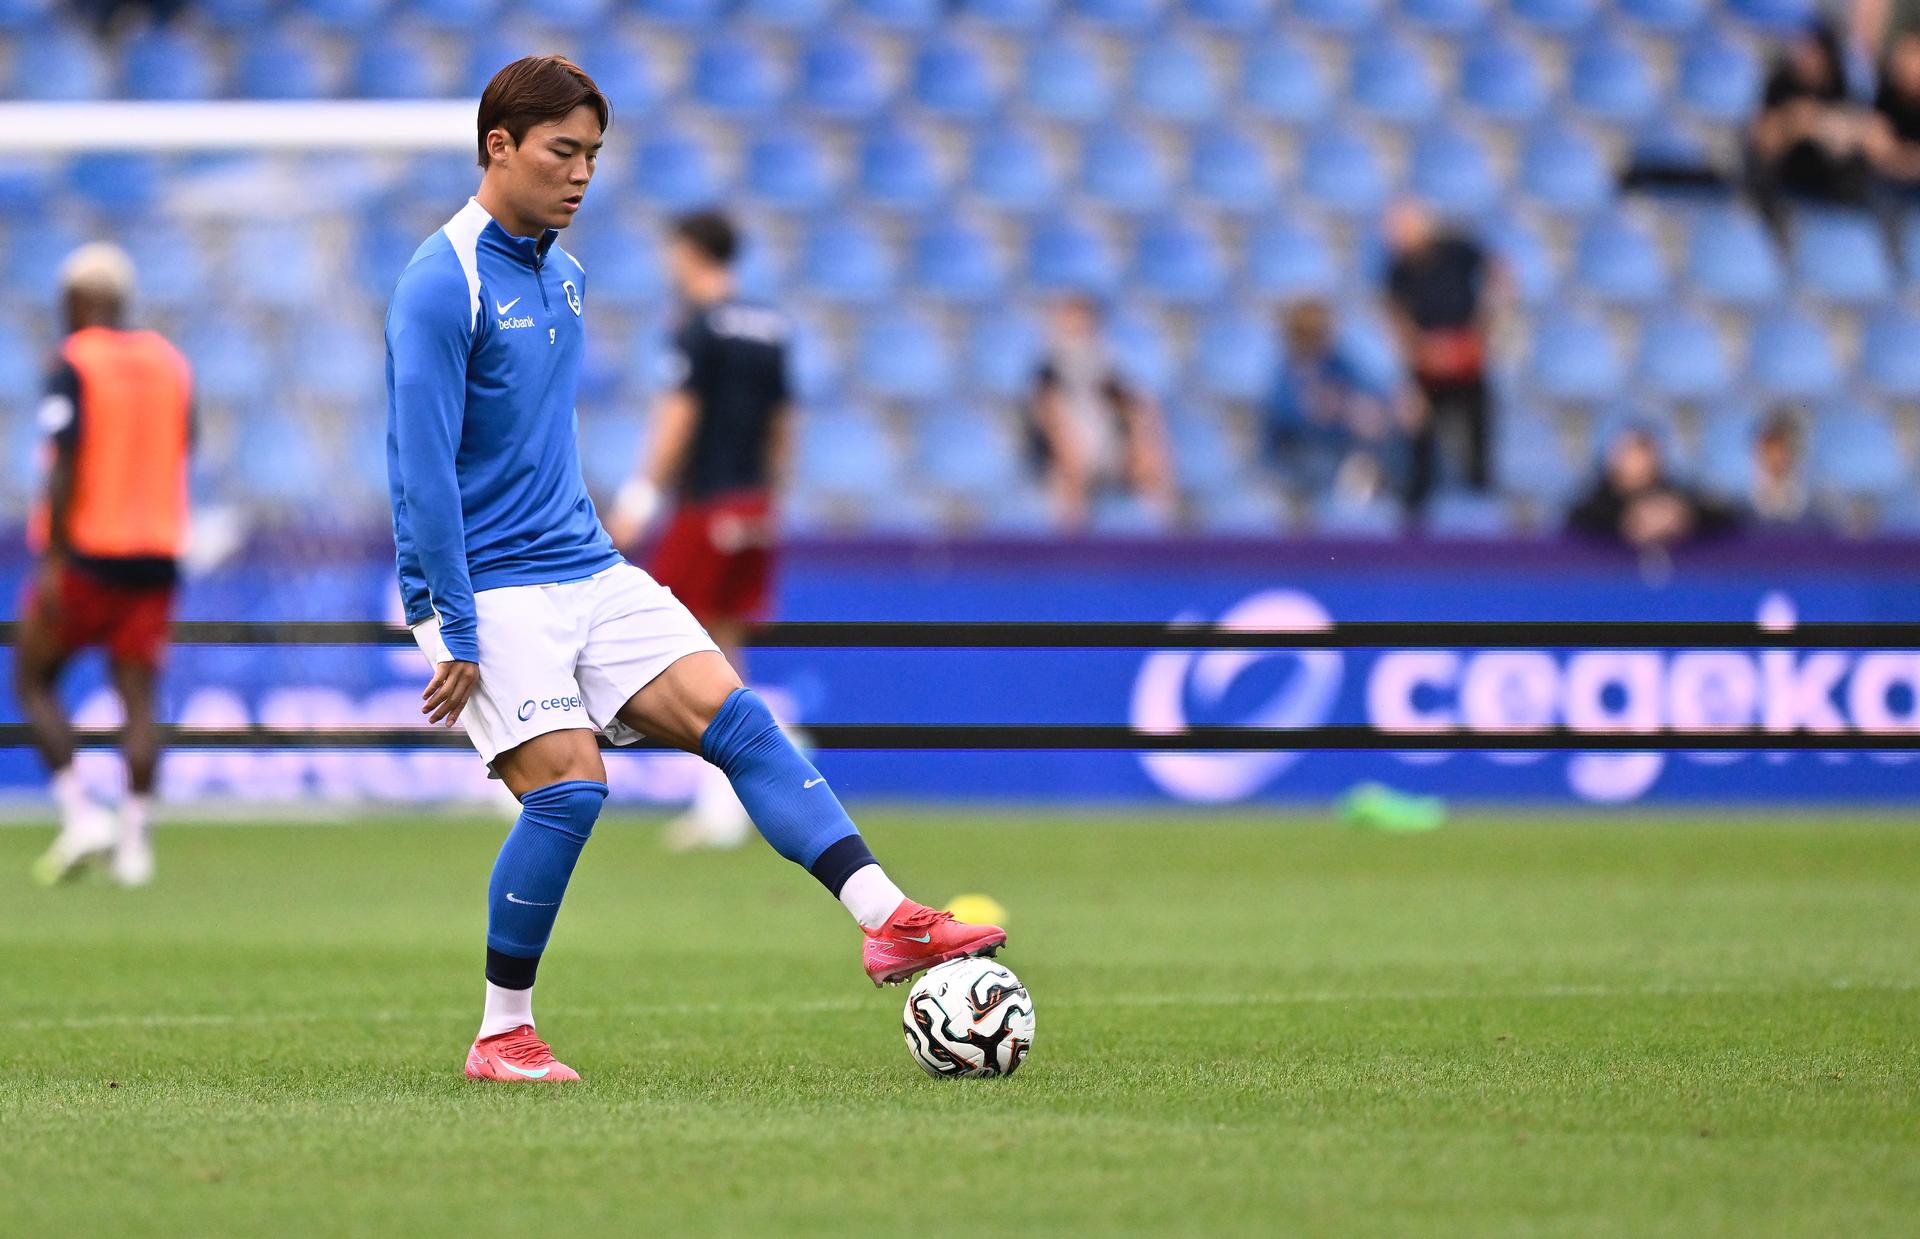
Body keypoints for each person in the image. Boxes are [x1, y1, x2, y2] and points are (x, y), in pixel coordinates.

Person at [386, 56, 1005, 1084]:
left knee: (743, 721)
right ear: (499, 146)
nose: (582, 176)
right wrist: (445, 617)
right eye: (561, 152)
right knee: (570, 795)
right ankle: (503, 1031)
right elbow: (419, 470)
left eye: (593, 155)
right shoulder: (438, 282)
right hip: (487, 585)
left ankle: (888, 919)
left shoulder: (566, 276)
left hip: (585, 563)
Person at [607, 210, 789, 852]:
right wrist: (768, 500)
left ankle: (724, 797)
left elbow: (677, 419)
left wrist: (640, 497)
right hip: (752, 507)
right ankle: (736, 796)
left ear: (688, 253)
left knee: (675, 647)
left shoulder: (698, 328)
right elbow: (783, 425)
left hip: (707, 505)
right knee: (727, 649)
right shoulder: (770, 326)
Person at [18, 244, 192, 889]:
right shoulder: (170, 363)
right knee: (138, 699)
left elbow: (64, 460)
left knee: (33, 678)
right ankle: (137, 846)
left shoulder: (75, 362)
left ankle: (80, 812)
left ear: (82, 300)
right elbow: (185, 446)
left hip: (90, 551)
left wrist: (54, 559)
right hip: (158, 552)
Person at [1382, 200, 1500, 512]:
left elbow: (1499, 276)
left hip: (1468, 363)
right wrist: (1423, 350)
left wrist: (1482, 330)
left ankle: (1481, 508)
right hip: (1426, 368)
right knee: (1419, 441)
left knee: (1478, 441)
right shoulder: (1397, 269)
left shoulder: (1458, 251)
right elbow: (1395, 316)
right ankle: (1417, 516)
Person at [1027, 295, 1175, 530]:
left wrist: (1141, 443)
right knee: (1067, 470)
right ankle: (1070, 546)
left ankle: (1163, 539)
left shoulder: (1106, 364)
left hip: (1108, 448)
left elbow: (1133, 405)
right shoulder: (1049, 369)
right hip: (1065, 455)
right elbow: (1047, 415)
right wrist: (1070, 451)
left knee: (1151, 456)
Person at [1261, 300, 1411, 504]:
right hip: (1301, 454)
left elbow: (1366, 388)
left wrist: (1373, 407)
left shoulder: (1337, 361)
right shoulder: (1286, 371)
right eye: (1316, 332)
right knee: (1323, 468)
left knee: (1386, 440)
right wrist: (1314, 411)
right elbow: (1282, 418)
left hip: (1341, 446)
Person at [1749, 20, 1873, 224]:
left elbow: (1854, 129)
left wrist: (1821, 124)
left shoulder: (1841, 84)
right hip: (1787, 170)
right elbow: (1762, 139)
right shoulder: (1780, 83)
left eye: (1811, 51)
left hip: (1827, 173)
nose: (1804, 58)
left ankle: (1849, 218)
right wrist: (1791, 124)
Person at [1565, 425, 1738, 549]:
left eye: (1645, 451)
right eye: (1632, 452)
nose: (1641, 461)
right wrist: (1627, 521)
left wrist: (1684, 516)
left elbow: (1723, 517)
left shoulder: (1674, 495)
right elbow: (1577, 524)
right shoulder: (1598, 502)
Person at [1746, 408, 1830, 534]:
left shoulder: (1814, 488)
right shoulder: (1747, 490)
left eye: (1780, 454)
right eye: (1769, 454)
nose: (1774, 460)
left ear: (1791, 454)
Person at [1868, 31, 1920, 192]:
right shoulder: (1886, 94)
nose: (1905, 63)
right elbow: (1875, 148)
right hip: (1885, 190)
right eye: (1902, 55)